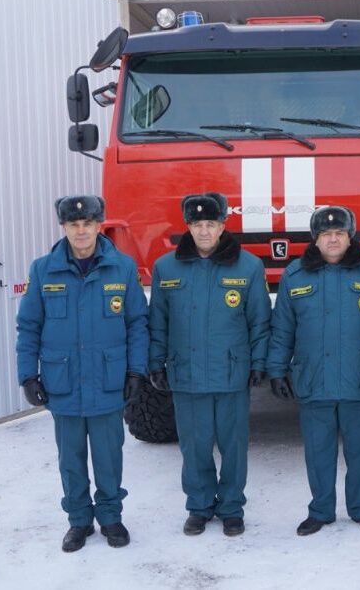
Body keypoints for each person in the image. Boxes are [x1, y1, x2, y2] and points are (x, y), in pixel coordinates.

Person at [16, 195, 149, 553]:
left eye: (88, 224)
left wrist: (137, 370)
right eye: (73, 225)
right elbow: (29, 326)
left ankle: (110, 517)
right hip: (64, 384)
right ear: (64, 227)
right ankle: (78, 520)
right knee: (70, 460)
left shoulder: (121, 267)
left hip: (108, 382)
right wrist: (28, 376)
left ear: (98, 225)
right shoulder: (43, 269)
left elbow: (137, 323)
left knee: (109, 456)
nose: (81, 231)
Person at [147, 192, 270, 538]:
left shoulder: (247, 266)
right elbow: (158, 321)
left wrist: (259, 363)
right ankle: (199, 507)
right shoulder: (166, 268)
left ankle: (231, 509)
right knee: (194, 446)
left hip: (232, 373)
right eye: (198, 225)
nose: (204, 231)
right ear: (188, 226)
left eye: (211, 224)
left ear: (222, 226)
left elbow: (260, 321)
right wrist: (156, 362)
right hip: (186, 374)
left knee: (234, 447)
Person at [267, 206, 360, 537]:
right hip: (313, 378)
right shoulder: (296, 275)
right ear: (315, 239)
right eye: (325, 234)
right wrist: (276, 369)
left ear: (350, 236)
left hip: (359, 378)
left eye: (339, 233)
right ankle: (320, 510)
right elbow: (282, 329)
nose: (333, 239)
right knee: (318, 451)